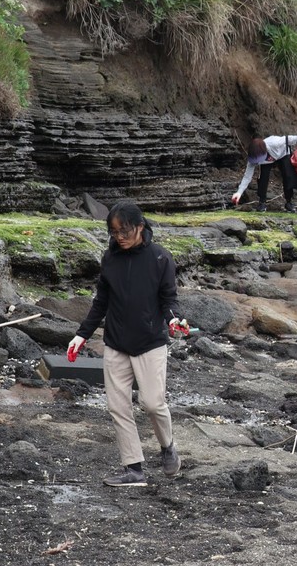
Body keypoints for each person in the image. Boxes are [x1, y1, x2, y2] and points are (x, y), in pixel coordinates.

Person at [67, 201, 188, 487]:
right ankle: (133, 469)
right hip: (116, 342)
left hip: (150, 342)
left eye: (125, 231)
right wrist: (82, 335)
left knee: (152, 403)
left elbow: (169, 299)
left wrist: (174, 320)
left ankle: (167, 446)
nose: (119, 237)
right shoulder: (110, 258)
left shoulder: (161, 258)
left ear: (140, 227)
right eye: (114, 232)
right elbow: (101, 302)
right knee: (118, 406)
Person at [231, 133, 297, 212]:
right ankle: (262, 202)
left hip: (283, 154)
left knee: (288, 175)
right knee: (263, 177)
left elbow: (290, 139)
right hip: (267, 162)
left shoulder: (275, 143)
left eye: (258, 160)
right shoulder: (253, 159)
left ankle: (289, 202)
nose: (256, 162)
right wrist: (239, 193)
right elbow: (247, 177)